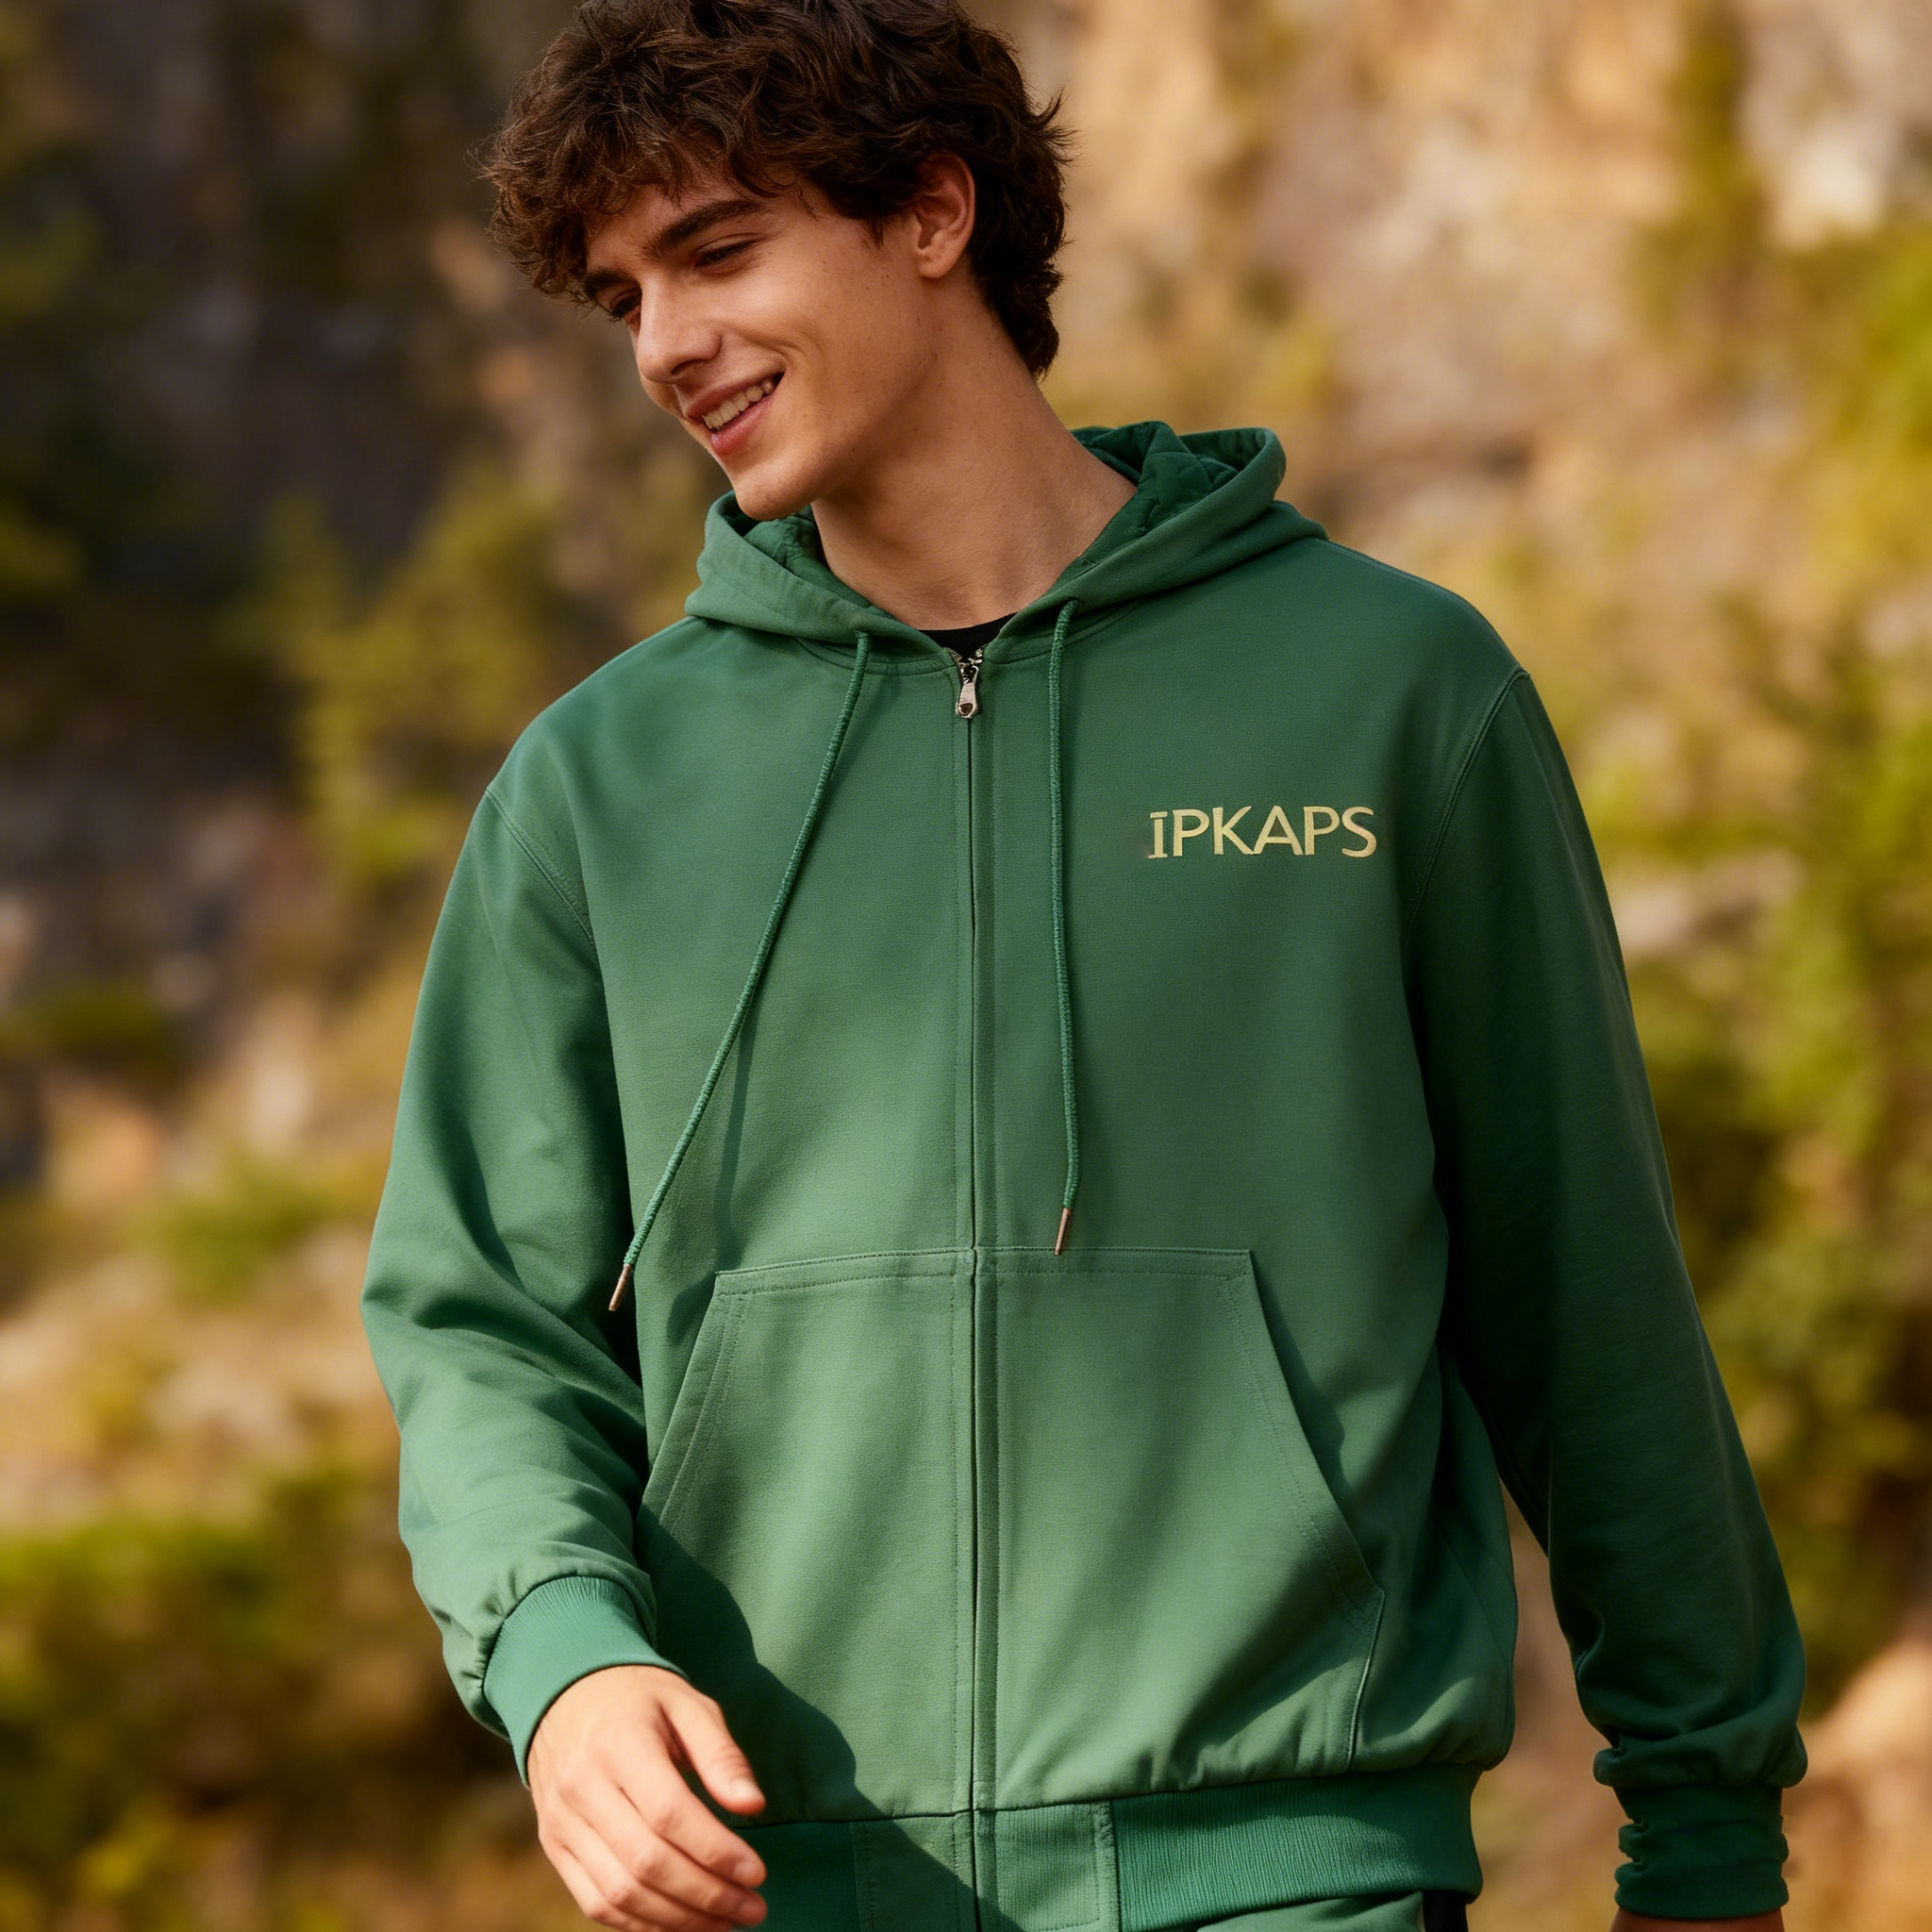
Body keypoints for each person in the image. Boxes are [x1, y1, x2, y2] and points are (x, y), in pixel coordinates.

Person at [357, 2, 1808, 1928]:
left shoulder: (1388, 697)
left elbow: (1584, 1299)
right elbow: (481, 1318)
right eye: (627, 295)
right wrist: (561, 1658)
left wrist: (1706, 1833)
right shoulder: (596, 790)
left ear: (932, 212)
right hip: (780, 1883)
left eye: (718, 253)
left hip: (1287, 1872)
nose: (665, 344)